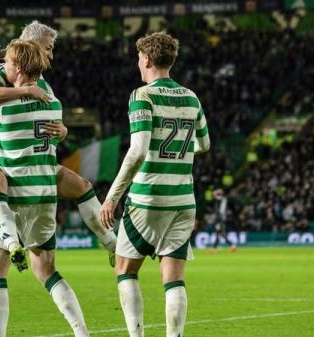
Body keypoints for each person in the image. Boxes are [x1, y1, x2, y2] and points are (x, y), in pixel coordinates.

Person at [0, 39, 89, 337]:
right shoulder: (54, 104)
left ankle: (9, 242)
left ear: (17, 66)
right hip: (46, 199)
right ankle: (81, 332)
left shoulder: (0, 107)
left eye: (6, 62)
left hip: (15, 196)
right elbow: (57, 133)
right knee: (46, 271)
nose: (3, 67)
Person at [0, 20, 117, 269]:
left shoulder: (43, 83)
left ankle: (113, 245)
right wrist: (25, 92)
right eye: (48, 47)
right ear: (32, 44)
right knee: (0, 193)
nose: (51, 54)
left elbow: (52, 124)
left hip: (32, 159)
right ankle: (11, 242)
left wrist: (63, 131)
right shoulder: (3, 70)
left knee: (82, 186)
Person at [100, 32, 210, 337]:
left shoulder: (142, 96)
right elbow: (204, 144)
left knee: (125, 270)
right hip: (183, 200)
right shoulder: (191, 97)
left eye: (139, 57)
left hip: (148, 199)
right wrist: (175, 152)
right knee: (173, 278)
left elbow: (138, 150)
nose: (138, 63)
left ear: (147, 59)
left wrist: (111, 197)